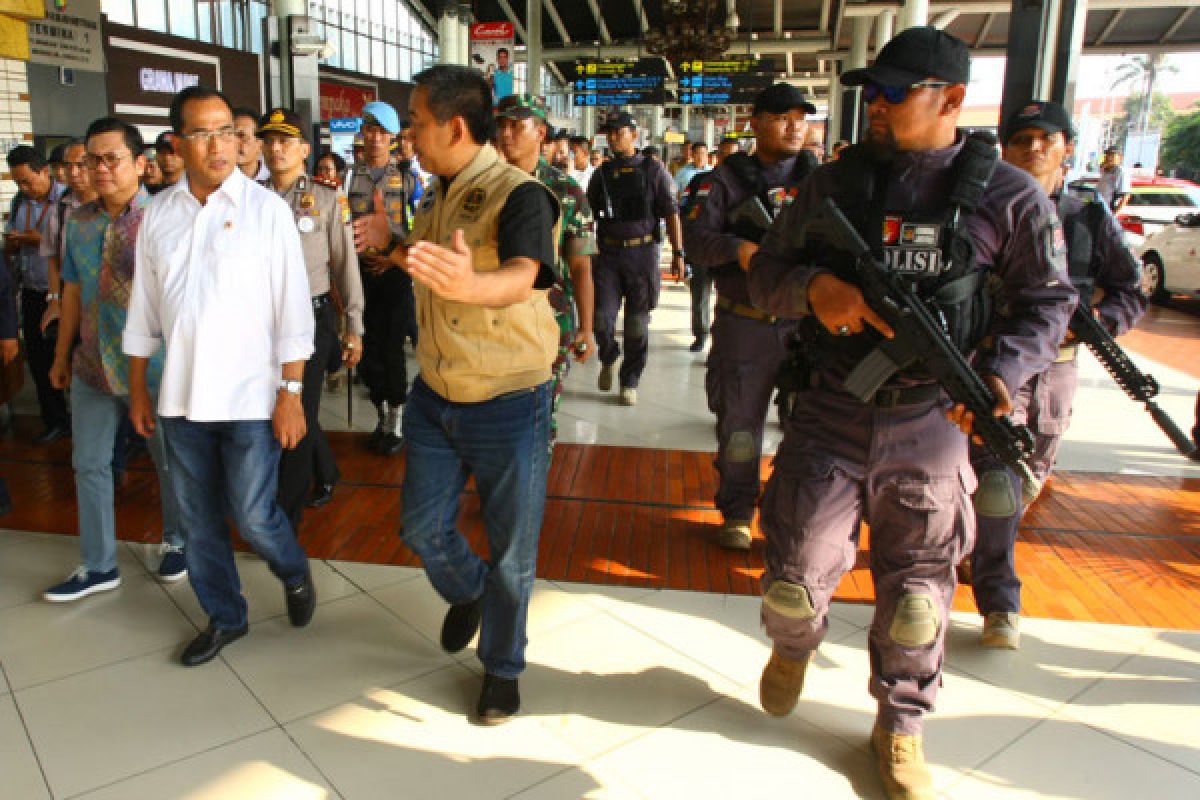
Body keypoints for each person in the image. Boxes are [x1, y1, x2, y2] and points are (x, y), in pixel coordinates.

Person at [746, 27, 1076, 799]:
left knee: (918, 600)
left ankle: (901, 725)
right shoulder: (835, 184)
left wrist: (1000, 375)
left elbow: (1048, 301)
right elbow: (767, 274)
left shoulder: (1009, 196)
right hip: (831, 406)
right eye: (873, 89)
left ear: (951, 98)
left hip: (933, 420)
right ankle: (795, 645)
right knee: (791, 583)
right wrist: (814, 294)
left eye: (895, 91)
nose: (878, 104)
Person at [381, 64, 559, 722]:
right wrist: (394, 246)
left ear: (455, 126)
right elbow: (435, 263)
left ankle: (503, 669)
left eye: (415, 123)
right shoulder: (437, 193)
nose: (408, 135)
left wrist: (468, 286)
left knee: (513, 550)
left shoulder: (521, 194)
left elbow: (521, 276)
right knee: (421, 526)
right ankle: (470, 590)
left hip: (509, 399)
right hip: (435, 391)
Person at [123, 85, 317, 666]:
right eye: (203, 133)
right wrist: (138, 387)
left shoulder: (266, 212)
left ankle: (293, 567)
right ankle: (226, 617)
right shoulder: (158, 215)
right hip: (181, 399)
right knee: (199, 519)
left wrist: (292, 393)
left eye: (228, 131)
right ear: (178, 143)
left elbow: (294, 312)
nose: (218, 145)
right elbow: (144, 311)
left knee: (255, 516)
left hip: (252, 397)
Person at [966, 101, 1146, 649]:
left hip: (1058, 376)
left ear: (1068, 148)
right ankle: (1000, 600)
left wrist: (1088, 327)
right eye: (1021, 138)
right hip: (995, 366)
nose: (1034, 148)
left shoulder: (1089, 219)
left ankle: (969, 548)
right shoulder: (978, 210)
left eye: (1048, 138)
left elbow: (1130, 293)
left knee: (1026, 480)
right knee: (997, 480)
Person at [42, 117, 188, 602]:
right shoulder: (78, 222)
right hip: (91, 366)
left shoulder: (165, 219)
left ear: (139, 165)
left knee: (168, 460)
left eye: (111, 159)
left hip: (156, 366)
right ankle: (99, 564)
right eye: (91, 160)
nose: (100, 169)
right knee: (88, 464)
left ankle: (179, 538)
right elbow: (73, 293)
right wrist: (62, 355)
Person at [683, 82, 817, 551]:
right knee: (740, 428)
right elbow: (694, 239)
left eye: (801, 117)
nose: (794, 125)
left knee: (814, 426)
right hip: (747, 322)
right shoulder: (723, 181)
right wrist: (737, 248)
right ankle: (738, 510)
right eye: (783, 116)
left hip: (809, 323)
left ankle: (797, 513)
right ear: (755, 121)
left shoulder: (824, 180)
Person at [258, 107, 365, 533]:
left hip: (311, 316)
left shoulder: (325, 198)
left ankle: (285, 515)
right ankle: (277, 493)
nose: (276, 147)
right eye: (270, 140)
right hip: (261, 321)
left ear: (304, 148)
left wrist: (353, 326)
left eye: (286, 140)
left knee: (299, 409)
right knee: (267, 409)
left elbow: (345, 265)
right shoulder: (252, 196)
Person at [495, 93, 597, 446]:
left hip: (548, 320)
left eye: (516, 126)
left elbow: (580, 264)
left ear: (540, 133)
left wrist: (586, 327)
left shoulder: (565, 191)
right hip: (492, 317)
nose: (506, 133)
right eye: (501, 125)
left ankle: (528, 495)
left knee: (538, 416)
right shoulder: (484, 184)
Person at [585, 110, 685, 406]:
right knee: (601, 319)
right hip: (608, 254)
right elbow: (587, 213)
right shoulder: (601, 174)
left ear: (634, 135)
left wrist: (678, 253)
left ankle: (630, 380)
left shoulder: (653, 171)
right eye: (610, 133)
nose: (613, 137)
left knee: (637, 324)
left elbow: (671, 212)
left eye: (619, 132)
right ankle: (609, 355)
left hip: (642, 254)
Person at [345, 100, 419, 456]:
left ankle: (397, 418)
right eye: (370, 129)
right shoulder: (348, 177)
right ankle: (379, 412)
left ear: (392, 137)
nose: (375, 137)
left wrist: (395, 258)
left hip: (395, 273)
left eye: (383, 131)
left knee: (392, 348)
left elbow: (421, 228)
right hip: (359, 275)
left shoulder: (408, 179)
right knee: (368, 350)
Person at [5, 145, 69, 444]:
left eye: (28, 181)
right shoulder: (20, 203)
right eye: (18, 183)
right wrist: (15, 244)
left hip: (66, 293)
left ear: (44, 171)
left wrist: (39, 239)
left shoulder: (68, 199)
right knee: (40, 361)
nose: (24, 188)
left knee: (70, 356)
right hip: (32, 292)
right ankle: (54, 420)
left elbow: (70, 244)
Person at [39, 139, 96, 350]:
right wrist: (54, 300)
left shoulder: (113, 206)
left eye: (81, 165)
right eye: (68, 165)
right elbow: (53, 258)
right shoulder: (61, 209)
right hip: (72, 300)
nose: (73, 173)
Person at [233, 107, 270, 181]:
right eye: (229, 135)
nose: (234, 142)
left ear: (260, 144)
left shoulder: (274, 180)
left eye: (241, 136)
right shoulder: (215, 183)